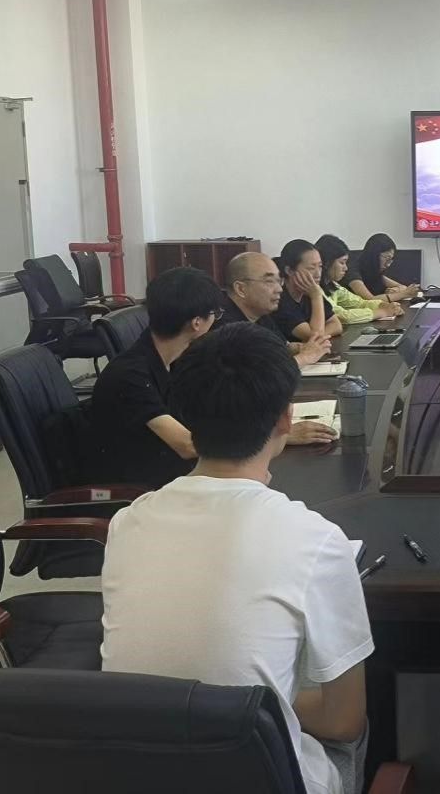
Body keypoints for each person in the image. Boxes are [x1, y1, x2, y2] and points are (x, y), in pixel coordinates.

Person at [101, 323, 373, 794]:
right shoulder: (316, 540)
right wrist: (262, 701)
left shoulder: (127, 522)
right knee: (355, 723)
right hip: (262, 775)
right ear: (285, 418)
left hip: (138, 769)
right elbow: (343, 721)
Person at [91, 266, 224, 488]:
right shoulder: (129, 376)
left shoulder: (174, 359)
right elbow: (186, 446)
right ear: (197, 323)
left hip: (165, 473)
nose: (216, 320)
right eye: (215, 314)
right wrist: (263, 439)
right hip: (135, 490)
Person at [219, 251, 332, 367]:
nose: (279, 289)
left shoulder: (260, 314)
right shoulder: (226, 328)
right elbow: (261, 372)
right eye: (269, 281)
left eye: (279, 281)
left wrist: (303, 348)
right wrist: (305, 357)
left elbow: (282, 347)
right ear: (241, 289)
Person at [317, 234, 403, 324]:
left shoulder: (332, 285)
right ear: (327, 262)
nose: (346, 268)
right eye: (342, 262)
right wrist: (383, 312)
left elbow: (360, 303)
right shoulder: (316, 289)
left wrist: (382, 305)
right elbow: (343, 316)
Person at [273, 240, 345, 342]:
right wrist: (316, 297)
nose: (318, 274)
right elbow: (313, 337)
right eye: (311, 268)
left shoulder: (309, 291)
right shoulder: (279, 299)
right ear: (289, 271)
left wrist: (320, 335)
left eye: (320, 266)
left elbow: (336, 325)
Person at [346, 233, 420, 303]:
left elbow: (403, 287)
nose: (388, 265)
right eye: (387, 258)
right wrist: (403, 294)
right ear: (373, 255)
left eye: (391, 259)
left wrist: (396, 290)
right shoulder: (352, 272)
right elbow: (370, 300)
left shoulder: (374, 272)